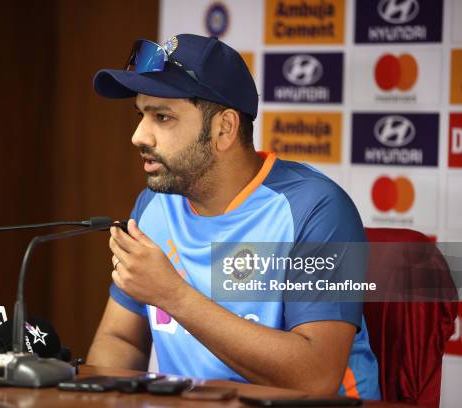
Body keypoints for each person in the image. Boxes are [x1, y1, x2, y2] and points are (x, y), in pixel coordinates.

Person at [86, 33, 380, 399]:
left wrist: (172, 295)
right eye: (141, 114)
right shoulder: (153, 205)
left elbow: (316, 377)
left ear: (223, 129)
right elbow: (121, 337)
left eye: (162, 116)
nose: (138, 136)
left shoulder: (317, 208)